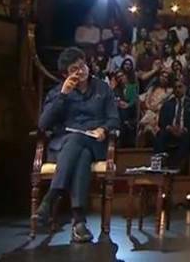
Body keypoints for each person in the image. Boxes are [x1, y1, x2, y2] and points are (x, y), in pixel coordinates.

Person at [35, 47, 119, 243]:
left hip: (94, 142)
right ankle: (79, 222)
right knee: (79, 150)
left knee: (80, 144)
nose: (81, 71)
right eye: (74, 69)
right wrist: (63, 94)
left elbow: (114, 119)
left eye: (82, 66)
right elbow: (43, 124)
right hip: (63, 147)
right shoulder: (58, 92)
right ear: (65, 74)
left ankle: (52, 197)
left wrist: (104, 129)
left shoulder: (102, 89)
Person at [154, 81, 190, 172]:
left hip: (185, 131)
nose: (177, 89)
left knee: (188, 138)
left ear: (185, 88)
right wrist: (170, 128)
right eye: (175, 87)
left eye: (180, 87)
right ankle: (159, 163)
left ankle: (175, 165)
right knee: (160, 135)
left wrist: (184, 129)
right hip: (170, 130)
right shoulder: (167, 104)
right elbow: (161, 121)